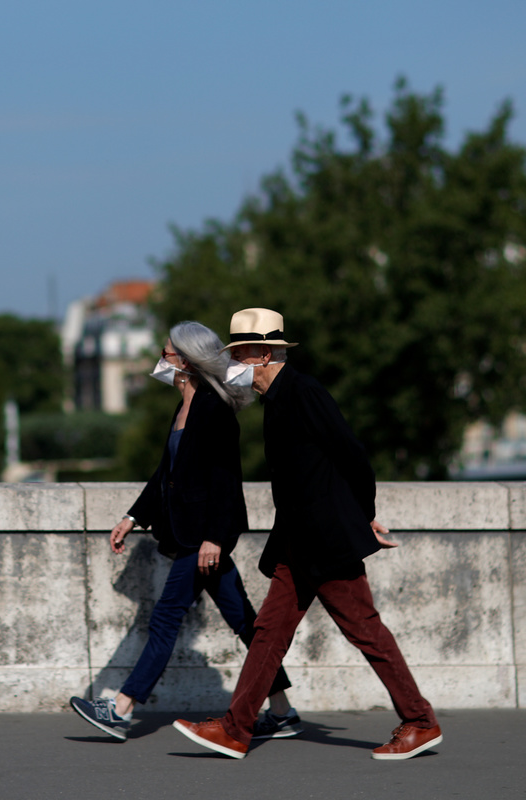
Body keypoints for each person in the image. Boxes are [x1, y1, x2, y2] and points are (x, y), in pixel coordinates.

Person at [172, 308, 441, 761]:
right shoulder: (276, 401)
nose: (233, 363)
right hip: (297, 543)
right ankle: (235, 730)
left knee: (366, 631)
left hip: (327, 541)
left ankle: (420, 721)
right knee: (268, 633)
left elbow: (352, 456)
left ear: (262, 355)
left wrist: (364, 516)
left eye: (239, 354)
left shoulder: (304, 392)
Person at [70, 321, 297, 741]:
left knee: (165, 617)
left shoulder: (213, 409)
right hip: (191, 534)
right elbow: (166, 475)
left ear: (187, 361)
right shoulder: (184, 408)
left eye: (166, 354)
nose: (161, 360)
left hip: (202, 537)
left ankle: (121, 709)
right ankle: (282, 710)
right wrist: (132, 518)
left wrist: (215, 537)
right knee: (244, 620)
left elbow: (225, 480)